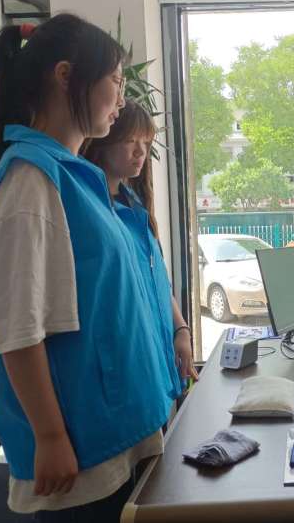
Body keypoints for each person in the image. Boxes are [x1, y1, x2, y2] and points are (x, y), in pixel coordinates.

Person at [0, 15, 179, 522]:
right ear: (66, 77)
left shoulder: (76, 179)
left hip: (119, 433)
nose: (122, 99)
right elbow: (18, 329)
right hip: (82, 458)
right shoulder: (30, 185)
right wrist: (49, 436)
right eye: (116, 82)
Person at [83, 100, 199, 386]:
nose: (140, 152)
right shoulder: (91, 211)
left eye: (145, 142)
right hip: (125, 369)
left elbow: (157, 279)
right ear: (104, 140)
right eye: (130, 141)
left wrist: (181, 330)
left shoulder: (136, 206)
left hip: (158, 361)